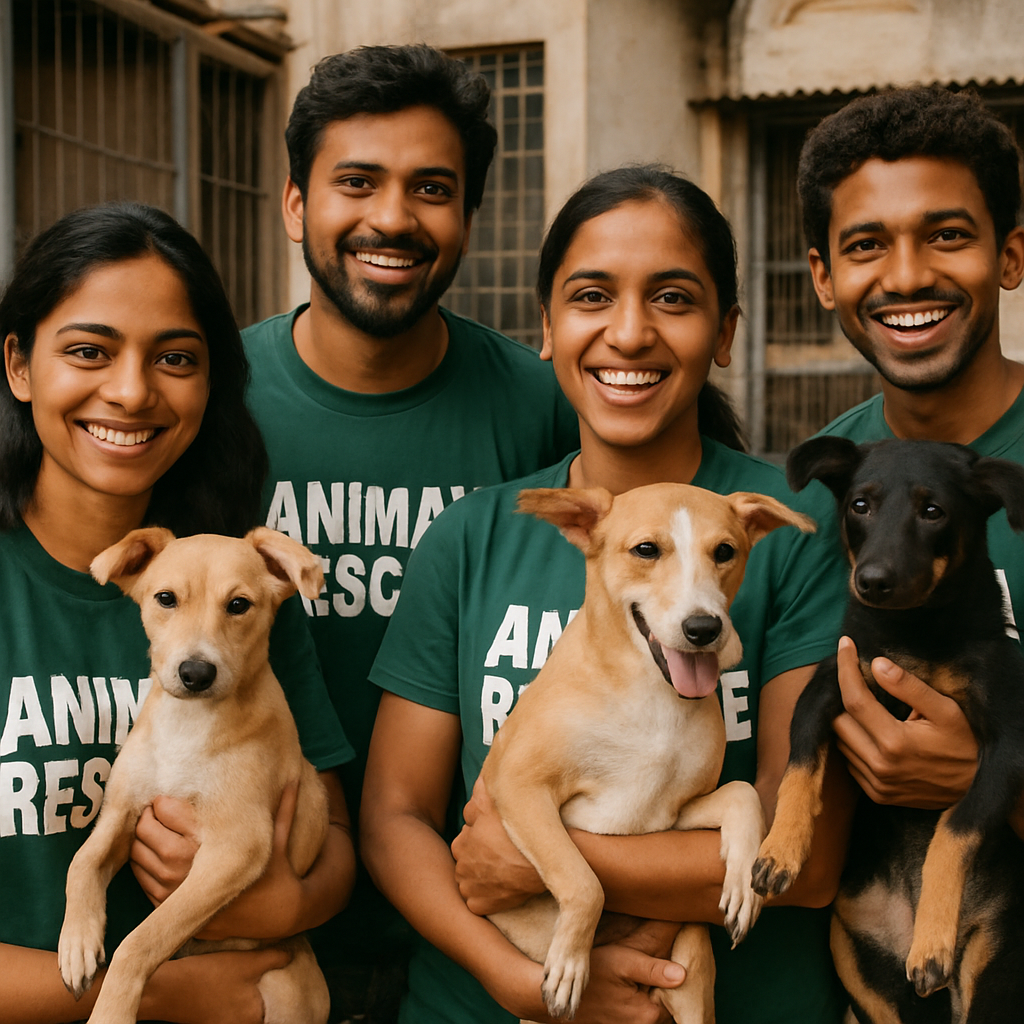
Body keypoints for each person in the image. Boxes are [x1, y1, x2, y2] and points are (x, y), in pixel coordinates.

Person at [361, 165, 854, 1024]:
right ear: (547, 328)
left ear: (726, 330)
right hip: (489, 998)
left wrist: (552, 863)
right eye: (592, 297)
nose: (629, 334)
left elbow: (801, 859)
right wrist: (518, 979)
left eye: (673, 298)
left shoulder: (793, 537)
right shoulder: (474, 537)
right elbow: (394, 818)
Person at [238, 43, 579, 1017]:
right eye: (356, 182)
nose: (392, 216)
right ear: (297, 204)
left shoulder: (543, 407)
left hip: (493, 923)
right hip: (264, 931)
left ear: (469, 216)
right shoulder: (206, 398)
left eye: (431, 187)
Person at [0, 202, 356, 1022]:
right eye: (89, 351)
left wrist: (282, 908)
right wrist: (162, 990)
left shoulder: (245, 593)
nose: (129, 391)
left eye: (175, 358)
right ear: (19, 365)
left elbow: (331, 839)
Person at [796, 86, 1024, 813]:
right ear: (825, 279)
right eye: (866, 246)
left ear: (1010, 256)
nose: (905, 276)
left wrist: (986, 790)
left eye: (947, 235)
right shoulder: (823, 494)